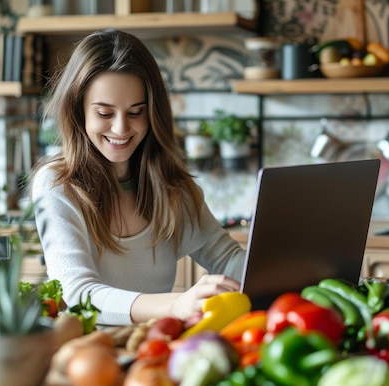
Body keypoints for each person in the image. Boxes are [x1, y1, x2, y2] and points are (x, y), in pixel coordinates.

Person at [29, 29, 246, 327]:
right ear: (78, 110)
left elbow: (228, 259)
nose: (121, 129)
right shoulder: (57, 185)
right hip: (88, 356)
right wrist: (176, 304)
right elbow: (78, 293)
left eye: (136, 112)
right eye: (105, 113)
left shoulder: (173, 188)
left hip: (154, 352)